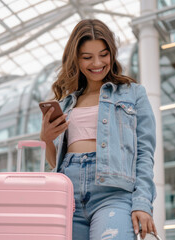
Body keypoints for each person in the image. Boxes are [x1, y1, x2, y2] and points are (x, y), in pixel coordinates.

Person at [40, 19, 157, 240]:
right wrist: (47, 139)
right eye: (87, 57)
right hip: (68, 194)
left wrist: (142, 202)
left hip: (113, 193)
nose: (97, 63)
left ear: (112, 53)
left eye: (104, 54)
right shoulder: (65, 103)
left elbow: (144, 153)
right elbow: (55, 163)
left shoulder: (133, 93)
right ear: (75, 58)